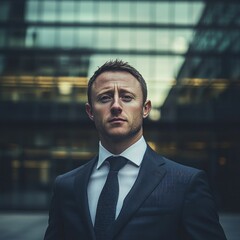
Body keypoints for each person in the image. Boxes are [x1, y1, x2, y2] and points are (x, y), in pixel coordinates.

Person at [44, 60, 227, 240]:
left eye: (127, 97)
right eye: (105, 98)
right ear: (90, 111)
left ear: (145, 109)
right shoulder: (65, 186)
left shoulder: (186, 183)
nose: (116, 106)